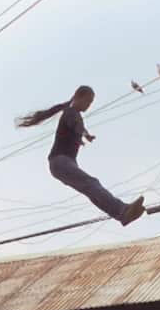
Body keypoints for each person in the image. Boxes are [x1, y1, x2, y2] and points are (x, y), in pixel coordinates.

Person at [16, 85, 147, 226]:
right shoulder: (71, 112)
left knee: (90, 188)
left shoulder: (71, 114)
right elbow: (76, 125)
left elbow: (75, 128)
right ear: (78, 97)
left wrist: (82, 137)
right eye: (87, 101)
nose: (88, 106)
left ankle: (122, 213)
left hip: (62, 164)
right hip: (60, 162)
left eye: (91, 103)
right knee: (92, 184)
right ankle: (122, 211)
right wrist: (84, 134)